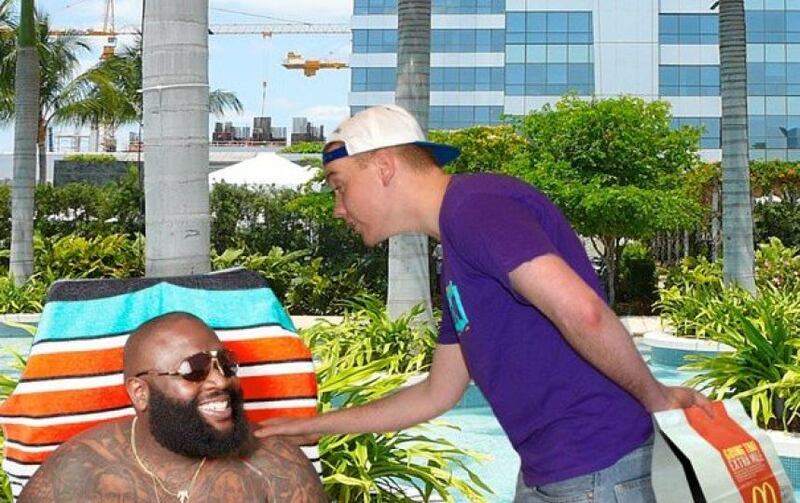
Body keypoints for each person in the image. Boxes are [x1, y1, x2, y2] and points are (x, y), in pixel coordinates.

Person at [255, 104, 714, 502]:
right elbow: (438, 393)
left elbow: (584, 312)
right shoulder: (457, 253)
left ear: (384, 167)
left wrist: (657, 397)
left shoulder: (477, 207)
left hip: (598, 469)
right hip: (553, 474)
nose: (338, 208)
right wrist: (316, 426)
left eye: (339, 185)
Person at [19, 312, 326, 503]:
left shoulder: (277, 466)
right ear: (140, 393)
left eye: (226, 364)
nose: (221, 381)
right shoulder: (78, 471)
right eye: (194, 369)